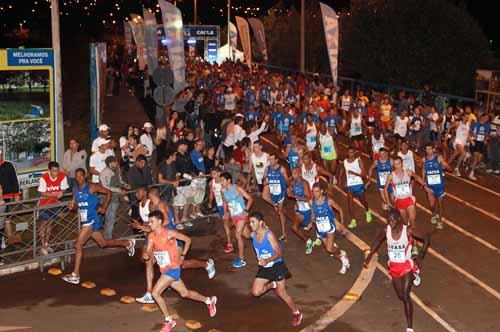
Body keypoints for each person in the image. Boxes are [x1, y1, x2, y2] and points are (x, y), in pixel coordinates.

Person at [133, 187, 215, 304]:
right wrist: (144, 227)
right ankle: (149, 293)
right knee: (149, 261)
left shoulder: (161, 205)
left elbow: (166, 221)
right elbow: (153, 223)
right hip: (160, 239)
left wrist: (150, 227)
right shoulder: (153, 207)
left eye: (149, 196)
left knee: (182, 264)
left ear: (151, 195)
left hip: (171, 239)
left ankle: (206, 264)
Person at [143, 210, 217, 332]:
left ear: (160, 222)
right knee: (184, 293)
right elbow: (149, 250)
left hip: (173, 268)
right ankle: (209, 301)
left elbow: (188, 240)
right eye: (149, 221)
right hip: (164, 269)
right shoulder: (151, 236)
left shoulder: (169, 233)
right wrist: (147, 255)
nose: (149, 224)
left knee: (155, 293)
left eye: (152, 221)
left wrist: (183, 255)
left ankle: (169, 320)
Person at [62, 168, 135, 284]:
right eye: (77, 177)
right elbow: (76, 206)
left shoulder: (92, 186)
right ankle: (128, 243)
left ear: (85, 176)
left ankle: (75, 275)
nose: (79, 178)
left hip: (92, 220)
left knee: (78, 244)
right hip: (85, 220)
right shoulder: (75, 190)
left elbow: (108, 192)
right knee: (103, 243)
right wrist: (71, 207)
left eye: (81, 176)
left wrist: (105, 207)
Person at [364, 209, 430, 332]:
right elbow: (377, 242)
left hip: (405, 266)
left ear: (399, 219)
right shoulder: (386, 230)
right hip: (394, 267)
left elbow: (426, 238)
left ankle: (410, 327)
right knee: (400, 296)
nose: (390, 223)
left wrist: (421, 255)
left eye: (392, 220)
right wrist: (369, 256)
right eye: (388, 221)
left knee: (406, 296)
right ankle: (415, 274)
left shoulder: (408, 230)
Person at [249, 212, 303, 327]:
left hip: (276, 265)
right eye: (250, 222)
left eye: (253, 222)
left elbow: (279, 253)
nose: (250, 224)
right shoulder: (252, 235)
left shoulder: (269, 235)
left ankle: (297, 313)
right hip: (264, 267)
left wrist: (267, 260)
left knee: (283, 293)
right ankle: (273, 285)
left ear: (261, 222)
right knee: (255, 292)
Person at [308, 182, 350, 274]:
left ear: (321, 191)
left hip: (329, 228)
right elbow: (313, 214)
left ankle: (342, 256)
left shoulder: (328, 201)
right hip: (320, 229)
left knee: (329, 249)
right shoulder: (311, 202)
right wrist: (311, 223)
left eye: (317, 191)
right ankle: (342, 256)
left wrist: (342, 224)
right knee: (331, 251)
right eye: (313, 192)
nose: (315, 194)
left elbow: (340, 209)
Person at [384, 156, 430, 230]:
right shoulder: (391, 176)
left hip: (409, 199)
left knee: (412, 221)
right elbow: (385, 189)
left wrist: (424, 185)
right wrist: (388, 202)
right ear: (393, 165)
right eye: (395, 164)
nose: (397, 166)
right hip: (399, 201)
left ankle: (414, 239)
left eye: (399, 163)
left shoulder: (408, 172)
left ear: (402, 163)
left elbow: (417, 177)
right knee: (405, 223)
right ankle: (409, 235)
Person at [220, 172, 253, 268]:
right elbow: (225, 202)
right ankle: (265, 237)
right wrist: (225, 213)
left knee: (237, 235)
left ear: (228, 180)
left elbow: (250, 199)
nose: (221, 182)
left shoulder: (237, 189)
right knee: (248, 235)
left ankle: (241, 259)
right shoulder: (223, 191)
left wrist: (246, 210)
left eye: (222, 180)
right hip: (234, 216)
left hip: (242, 215)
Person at [37, 161, 69, 255]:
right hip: (44, 203)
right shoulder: (44, 177)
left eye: (57, 171)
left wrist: (62, 193)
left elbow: (64, 188)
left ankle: (47, 244)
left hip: (54, 204)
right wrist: (55, 195)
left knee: (50, 223)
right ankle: (42, 246)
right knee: (44, 224)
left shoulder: (62, 176)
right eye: (53, 171)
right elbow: (42, 193)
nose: (55, 173)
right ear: (49, 170)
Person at [338, 146, 372, 229]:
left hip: (359, 184)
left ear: (355, 153)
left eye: (352, 152)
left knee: (363, 201)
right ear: (347, 153)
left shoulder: (359, 161)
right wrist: (339, 179)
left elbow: (363, 175)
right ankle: (353, 220)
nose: (351, 154)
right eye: (349, 152)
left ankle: (367, 211)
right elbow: (342, 169)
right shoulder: (345, 162)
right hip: (350, 185)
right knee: (350, 202)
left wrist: (354, 173)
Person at [287, 167, 319, 254]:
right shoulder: (293, 183)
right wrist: (289, 190)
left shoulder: (304, 183)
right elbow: (290, 188)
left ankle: (320, 236)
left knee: (316, 225)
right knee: (294, 227)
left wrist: (294, 196)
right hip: (300, 210)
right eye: (292, 173)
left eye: (295, 173)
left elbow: (308, 198)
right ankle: (308, 241)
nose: (294, 175)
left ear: (300, 174)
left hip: (309, 209)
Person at [99, 156, 129, 239]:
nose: (116, 163)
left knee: (110, 219)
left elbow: (119, 181)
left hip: (114, 198)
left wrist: (125, 185)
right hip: (107, 199)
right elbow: (105, 187)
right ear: (110, 163)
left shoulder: (115, 171)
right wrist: (119, 190)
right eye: (114, 162)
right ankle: (107, 239)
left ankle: (107, 237)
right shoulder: (105, 172)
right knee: (110, 219)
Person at [422, 143, 450, 229]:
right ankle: (434, 214)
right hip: (430, 185)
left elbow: (449, 168)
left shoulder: (438, 158)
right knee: (431, 205)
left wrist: (445, 166)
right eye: (426, 149)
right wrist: (423, 182)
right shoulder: (424, 159)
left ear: (433, 149)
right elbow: (423, 169)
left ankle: (440, 220)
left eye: (430, 149)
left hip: (439, 185)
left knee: (440, 203)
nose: (428, 151)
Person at [262, 153, 288, 241]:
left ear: (276, 160)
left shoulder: (282, 169)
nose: (270, 161)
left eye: (272, 159)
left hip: (280, 193)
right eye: (269, 159)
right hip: (273, 193)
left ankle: (284, 233)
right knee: (264, 196)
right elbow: (264, 178)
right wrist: (265, 182)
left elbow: (287, 181)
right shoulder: (267, 168)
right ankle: (275, 205)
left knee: (280, 213)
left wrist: (283, 185)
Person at [468, 114, 490, 180]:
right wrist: (472, 138)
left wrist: (486, 140)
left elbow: (487, 134)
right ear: (481, 117)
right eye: (485, 117)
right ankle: (471, 173)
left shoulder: (487, 126)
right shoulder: (475, 123)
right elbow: (469, 131)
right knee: (476, 157)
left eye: (487, 118)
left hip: (481, 143)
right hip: (475, 142)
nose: (485, 119)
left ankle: (468, 163)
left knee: (479, 159)